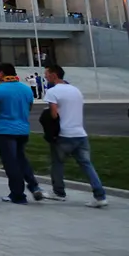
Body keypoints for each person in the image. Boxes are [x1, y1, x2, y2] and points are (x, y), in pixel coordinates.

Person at [41, 64, 107, 207]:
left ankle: (58, 192)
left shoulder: (52, 92)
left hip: (63, 134)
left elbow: (53, 114)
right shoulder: (75, 90)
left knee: (57, 163)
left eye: (46, 74)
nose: (45, 77)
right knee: (87, 165)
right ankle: (100, 195)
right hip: (80, 133)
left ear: (54, 75)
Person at [0, 62, 44, 204]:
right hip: (23, 129)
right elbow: (29, 107)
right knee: (21, 159)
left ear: (1, 73)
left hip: (5, 130)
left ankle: (18, 194)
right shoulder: (26, 89)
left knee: (11, 163)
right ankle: (34, 186)